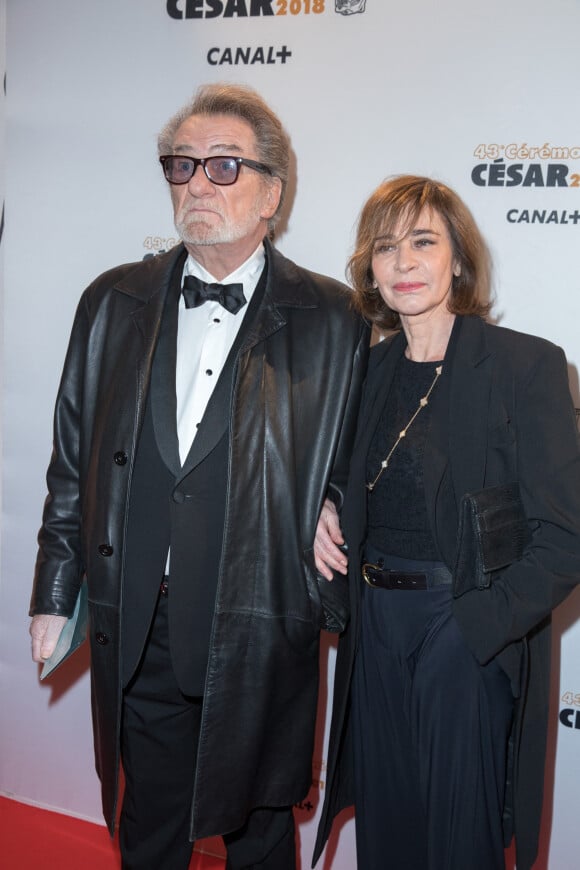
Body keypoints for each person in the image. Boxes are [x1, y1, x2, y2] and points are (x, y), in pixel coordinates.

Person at [29, 82, 369, 870]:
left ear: (272, 193)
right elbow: (71, 462)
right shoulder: (111, 301)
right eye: (182, 165)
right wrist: (55, 590)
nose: (195, 184)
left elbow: (359, 455)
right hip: (138, 617)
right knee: (148, 827)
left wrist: (332, 498)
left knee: (257, 834)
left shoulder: (333, 318)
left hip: (258, 621)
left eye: (224, 166)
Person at [312, 175, 580, 870]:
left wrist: (479, 626)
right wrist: (325, 506)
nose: (402, 262)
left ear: (458, 259)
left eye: (423, 242)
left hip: (461, 624)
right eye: (385, 247)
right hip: (373, 626)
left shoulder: (526, 365)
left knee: (460, 843)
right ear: (369, 268)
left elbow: (566, 534)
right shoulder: (363, 370)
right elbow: (346, 476)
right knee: (388, 834)